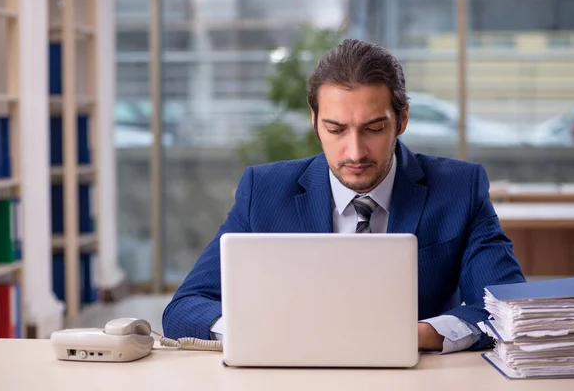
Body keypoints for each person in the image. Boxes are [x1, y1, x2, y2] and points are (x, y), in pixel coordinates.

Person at [162, 39, 526, 353]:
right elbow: (184, 309)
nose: (354, 152)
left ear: (402, 120)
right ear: (314, 121)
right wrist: (259, 333)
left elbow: (507, 308)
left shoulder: (459, 188)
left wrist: (411, 335)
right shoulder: (264, 191)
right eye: (335, 129)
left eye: (374, 128)